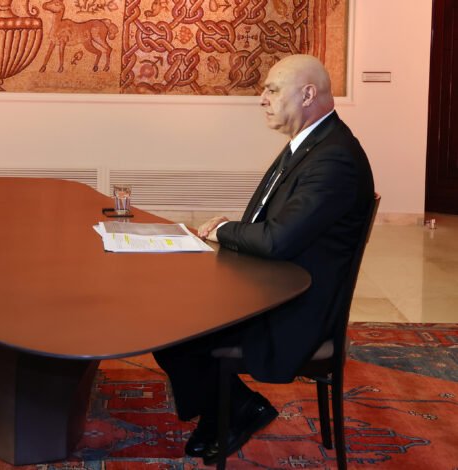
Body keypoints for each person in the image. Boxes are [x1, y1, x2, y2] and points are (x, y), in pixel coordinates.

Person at [153, 54, 374, 464]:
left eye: (272, 89)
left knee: (171, 329)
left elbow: (277, 240)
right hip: (278, 286)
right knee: (171, 314)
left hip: (295, 310)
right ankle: (226, 410)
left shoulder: (335, 158)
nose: (262, 98)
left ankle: (235, 409)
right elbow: (274, 228)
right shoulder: (312, 145)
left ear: (307, 95)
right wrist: (232, 232)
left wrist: (223, 231)